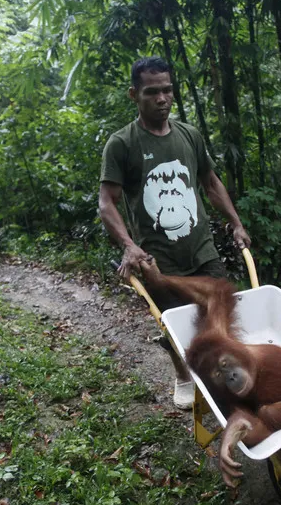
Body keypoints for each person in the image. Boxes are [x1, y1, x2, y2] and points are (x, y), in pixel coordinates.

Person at [99, 56, 251, 410]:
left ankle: (224, 373)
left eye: (167, 90)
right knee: (173, 323)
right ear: (134, 94)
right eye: (152, 92)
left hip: (201, 248)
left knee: (220, 310)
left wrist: (236, 222)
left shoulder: (189, 135)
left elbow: (210, 182)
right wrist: (128, 246)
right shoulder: (122, 144)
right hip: (158, 256)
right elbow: (107, 203)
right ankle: (183, 375)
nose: (162, 99)